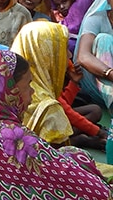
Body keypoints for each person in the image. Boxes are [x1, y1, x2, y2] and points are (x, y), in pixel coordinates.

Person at [0, 50, 112, 200]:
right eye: (28, 85)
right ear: (9, 90)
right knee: (80, 157)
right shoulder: (12, 139)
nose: (32, 93)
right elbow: (99, 193)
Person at [10, 21, 107, 149]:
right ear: (46, 52)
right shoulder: (46, 104)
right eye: (64, 48)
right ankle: (76, 140)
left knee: (94, 110)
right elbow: (60, 110)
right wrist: (98, 132)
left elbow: (61, 106)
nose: (69, 55)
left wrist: (74, 82)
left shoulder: (14, 77)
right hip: (41, 152)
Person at [76, 0, 113, 110]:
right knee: (104, 40)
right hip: (96, 78)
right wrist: (110, 73)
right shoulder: (96, 18)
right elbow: (83, 57)